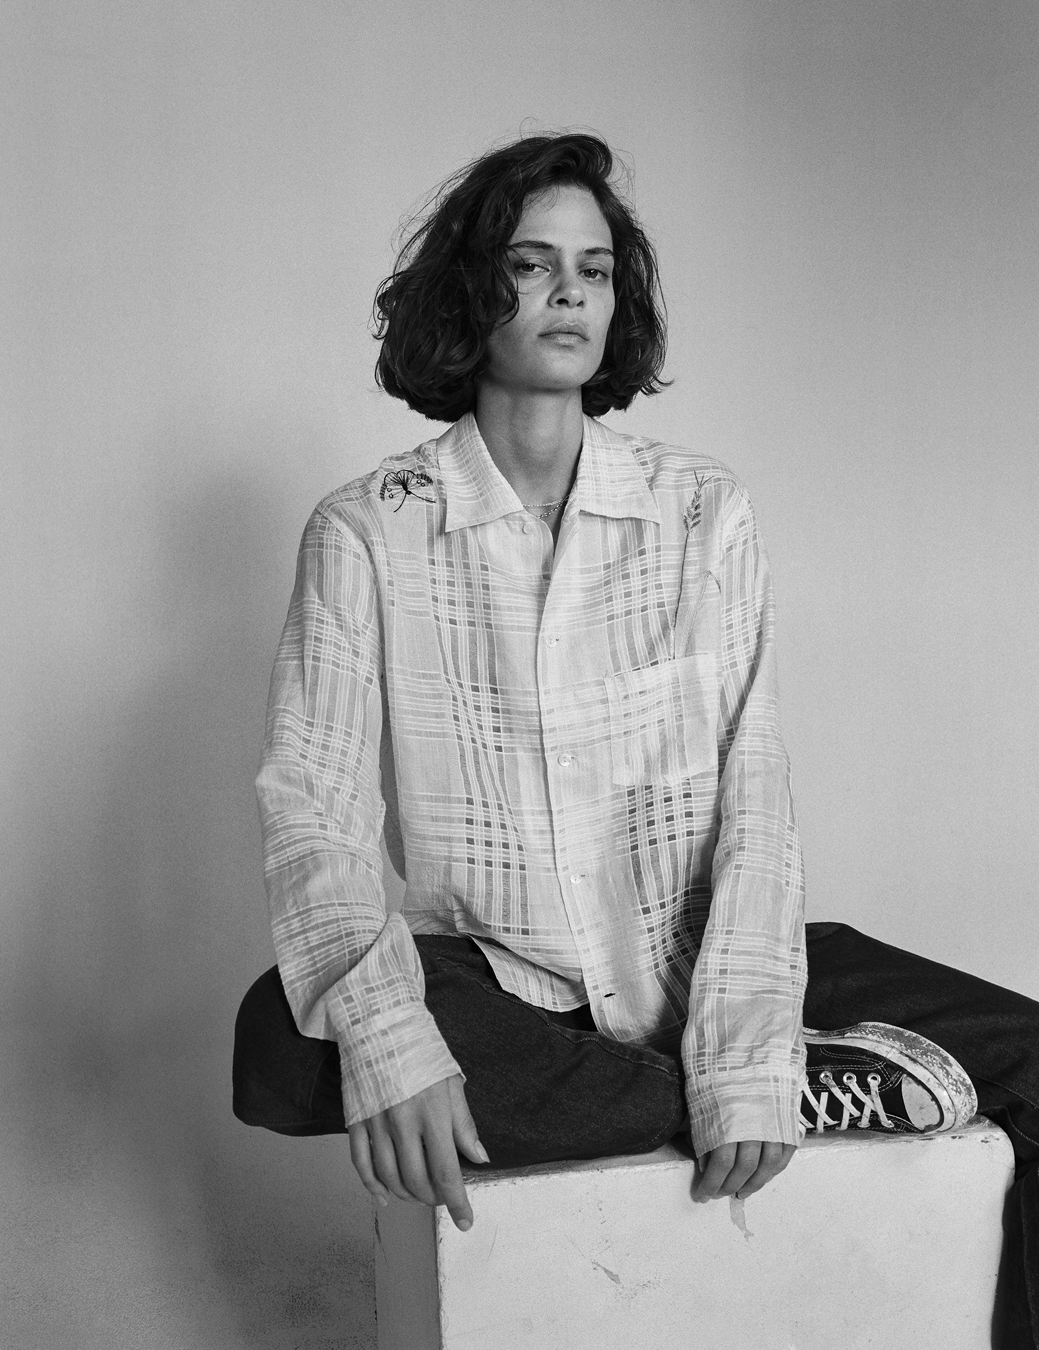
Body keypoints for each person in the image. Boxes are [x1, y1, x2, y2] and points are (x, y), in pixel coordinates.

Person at [233, 133, 1038, 1346]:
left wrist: (740, 1033)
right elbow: (316, 808)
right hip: (512, 978)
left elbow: (754, 793)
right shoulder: (368, 531)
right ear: (470, 290)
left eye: (595, 269)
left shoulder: (702, 509)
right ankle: (820, 1087)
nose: (569, 292)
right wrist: (399, 1040)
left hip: (706, 955)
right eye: (531, 262)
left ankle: (750, 1067)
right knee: (283, 1036)